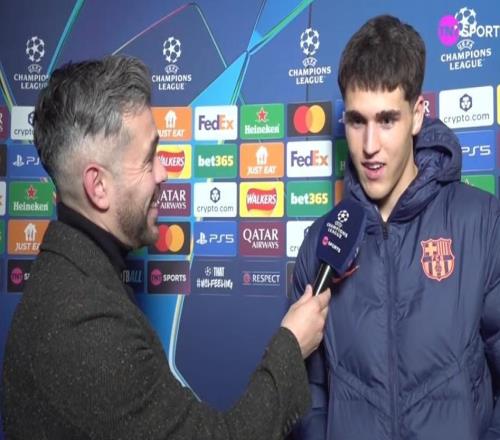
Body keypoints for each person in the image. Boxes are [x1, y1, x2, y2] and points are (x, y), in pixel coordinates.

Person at [1, 55, 331, 440]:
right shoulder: (87, 326)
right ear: (98, 186)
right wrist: (291, 345)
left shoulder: (73, 276)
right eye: (148, 159)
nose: (164, 172)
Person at [291, 14, 500, 440]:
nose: (369, 146)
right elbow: (308, 391)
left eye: (387, 120)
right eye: (356, 121)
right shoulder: (320, 243)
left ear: (417, 115)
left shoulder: (481, 223)